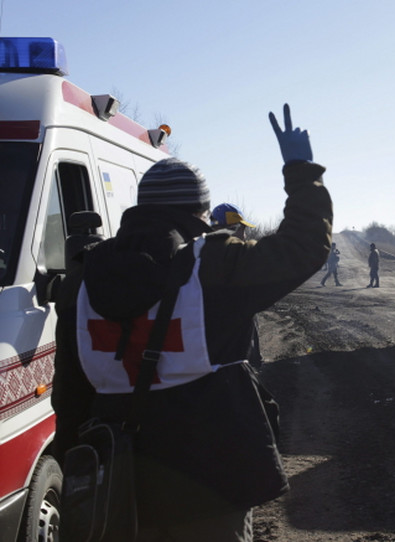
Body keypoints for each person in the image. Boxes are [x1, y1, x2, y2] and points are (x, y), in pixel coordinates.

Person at [52, 104, 332, 541]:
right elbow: (305, 246)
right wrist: (301, 172)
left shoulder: (82, 278)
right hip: (211, 485)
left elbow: (69, 394)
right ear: (199, 212)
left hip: (118, 483)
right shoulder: (214, 267)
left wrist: (77, 466)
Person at [210, 202, 263, 369]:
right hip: (234, 367)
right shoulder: (235, 263)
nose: (245, 236)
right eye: (242, 230)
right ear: (231, 230)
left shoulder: (198, 259)